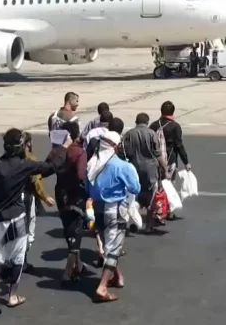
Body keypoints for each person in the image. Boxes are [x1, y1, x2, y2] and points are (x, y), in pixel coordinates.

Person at [0, 128, 70, 315]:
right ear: (20, 146)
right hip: (17, 217)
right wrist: (64, 147)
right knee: (18, 257)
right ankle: (12, 295)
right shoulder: (25, 165)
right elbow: (50, 167)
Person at [85, 131, 140, 303]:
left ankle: (117, 276)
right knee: (113, 249)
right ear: (115, 146)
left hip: (97, 209)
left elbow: (87, 187)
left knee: (107, 244)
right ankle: (102, 287)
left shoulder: (91, 163)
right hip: (114, 209)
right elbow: (135, 188)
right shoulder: (121, 166)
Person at [54, 121, 88, 286]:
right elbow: (81, 176)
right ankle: (67, 272)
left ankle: (78, 265)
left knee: (69, 229)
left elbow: (48, 167)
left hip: (61, 194)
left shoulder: (57, 151)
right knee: (76, 231)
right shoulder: (79, 152)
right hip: (75, 195)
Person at [20, 131, 55, 273]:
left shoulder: (8, 159)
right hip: (27, 198)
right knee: (28, 231)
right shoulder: (31, 159)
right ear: (28, 143)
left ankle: (14, 260)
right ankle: (22, 261)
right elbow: (36, 182)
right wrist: (45, 197)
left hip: (11, 199)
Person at [122, 113, 163, 211]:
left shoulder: (129, 134)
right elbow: (158, 153)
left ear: (136, 122)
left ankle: (134, 212)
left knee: (134, 191)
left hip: (134, 167)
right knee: (152, 193)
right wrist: (164, 168)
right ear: (147, 122)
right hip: (150, 169)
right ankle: (149, 215)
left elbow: (125, 152)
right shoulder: (152, 133)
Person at [149, 101, 190, 179]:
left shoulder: (153, 125)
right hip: (170, 162)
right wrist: (186, 162)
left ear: (161, 111)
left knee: (156, 183)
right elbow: (179, 145)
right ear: (173, 112)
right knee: (168, 184)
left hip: (155, 161)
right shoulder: (175, 126)